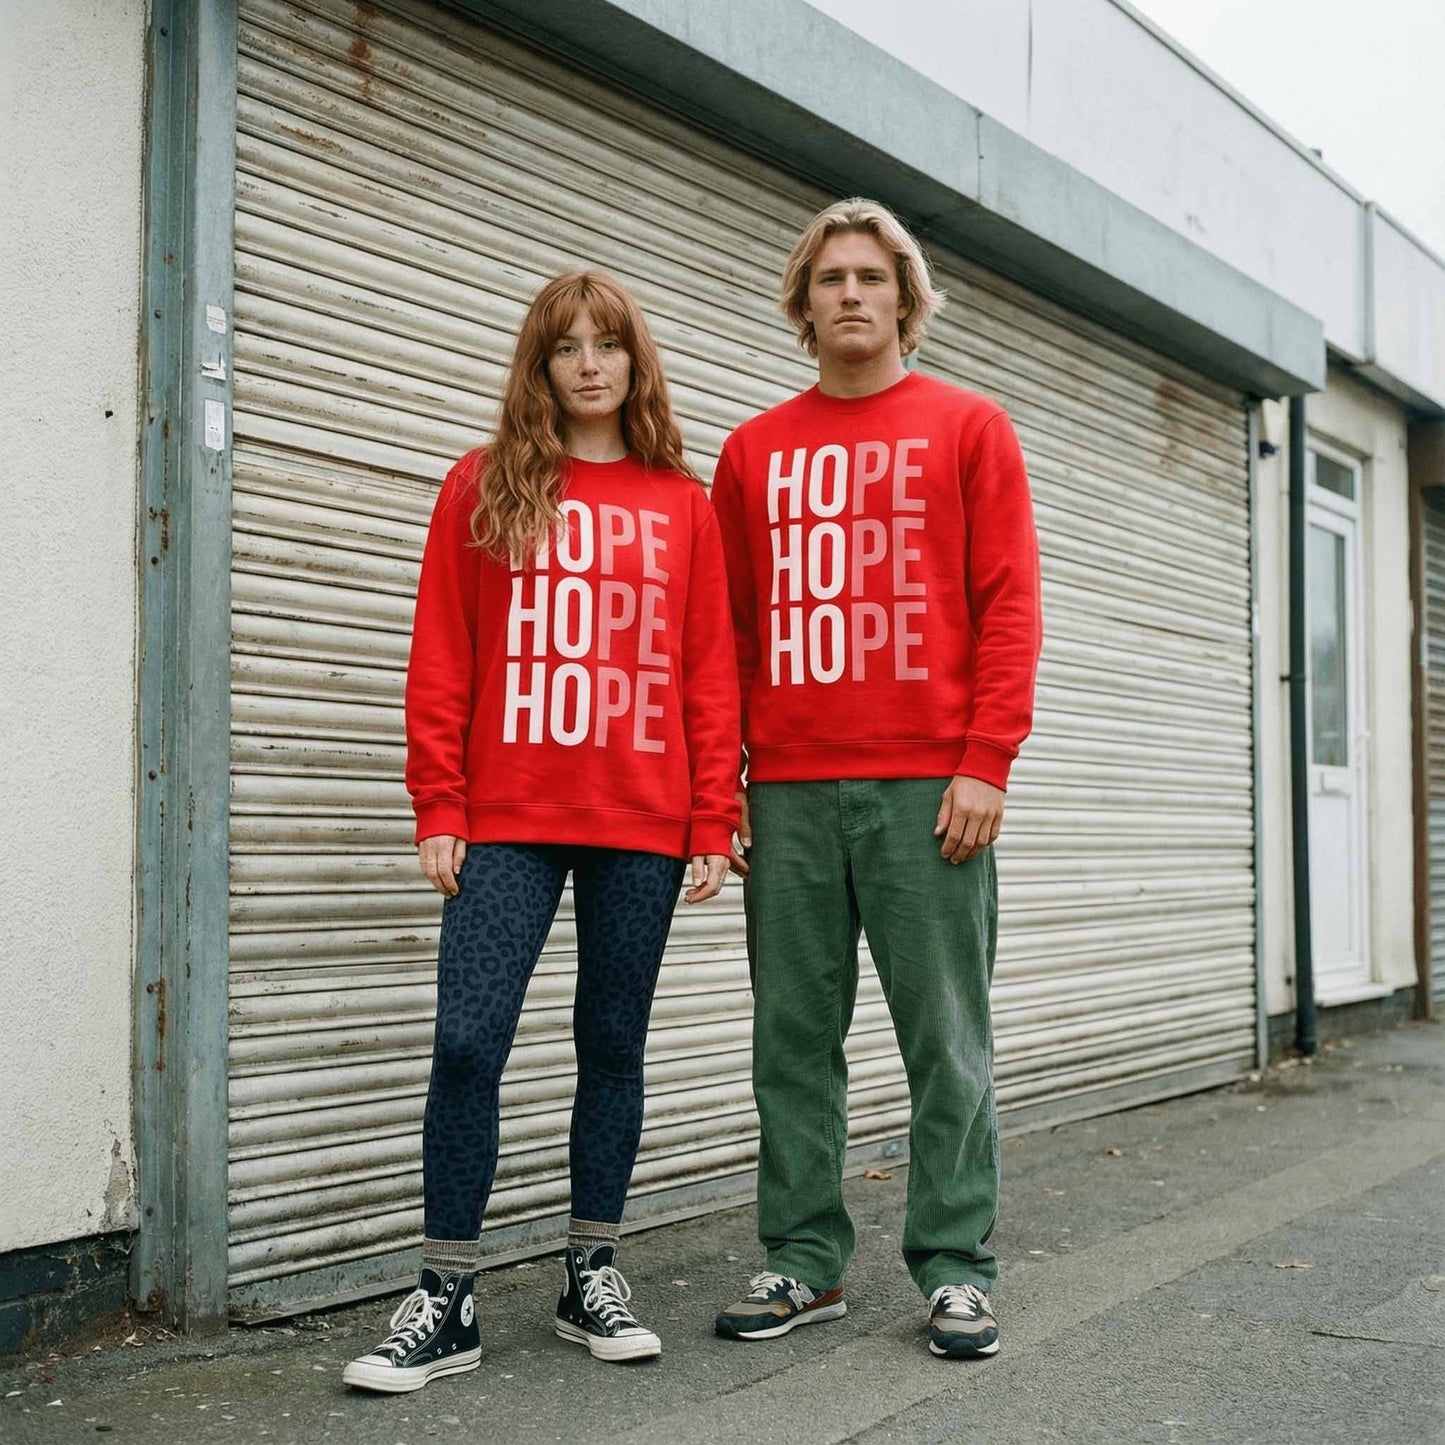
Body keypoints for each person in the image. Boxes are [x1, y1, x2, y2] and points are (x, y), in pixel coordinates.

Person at [342, 271, 740, 1392]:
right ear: (540, 363)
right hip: (505, 816)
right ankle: (446, 1291)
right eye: (564, 345)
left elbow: (708, 670)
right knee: (468, 1039)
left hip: (641, 819)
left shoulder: (682, 504)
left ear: (633, 361)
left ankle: (589, 1269)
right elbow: (443, 653)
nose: (587, 363)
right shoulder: (481, 484)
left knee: (612, 1043)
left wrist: (713, 811)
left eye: (607, 343)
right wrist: (439, 800)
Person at [709, 199, 1042, 1359]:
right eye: (828, 277)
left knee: (945, 1037)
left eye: (871, 275)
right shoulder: (750, 453)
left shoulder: (968, 427)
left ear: (906, 297)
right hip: (791, 791)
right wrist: (725, 781)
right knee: (790, 1038)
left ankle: (954, 1267)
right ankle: (802, 1257)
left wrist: (984, 760)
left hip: (927, 789)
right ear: (801, 305)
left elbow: (1008, 607)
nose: (850, 292)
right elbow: (729, 634)